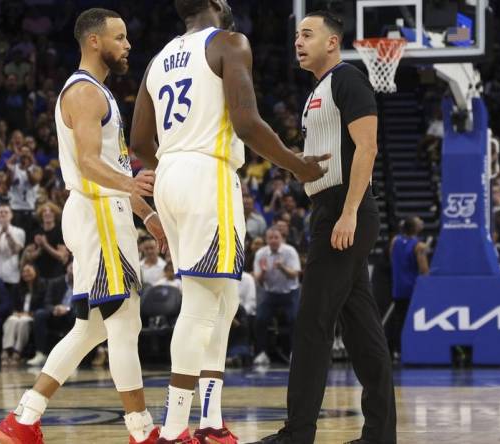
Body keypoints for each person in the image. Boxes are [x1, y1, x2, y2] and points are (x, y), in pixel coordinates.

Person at [130, 1, 326, 441]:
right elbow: (247, 122)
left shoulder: (158, 59)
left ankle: (213, 422)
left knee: (225, 300)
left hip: (170, 172)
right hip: (208, 174)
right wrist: (296, 165)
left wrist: (175, 162)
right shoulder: (230, 42)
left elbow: (140, 140)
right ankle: (175, 429)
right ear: (218, 3)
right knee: (201, 305)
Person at [0, 9, 163, 444]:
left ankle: (24, 420)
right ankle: (141, 432)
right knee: (125, 323)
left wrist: (147, 215)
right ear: (93, 42)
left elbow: (106, 164)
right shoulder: (86, 93)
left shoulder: (96, 92)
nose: (127, 46)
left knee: (91, 328)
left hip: (103, 211)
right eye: (119, 38)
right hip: (99, 211)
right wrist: (130, 184)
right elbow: (90, 165)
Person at [255, 11, 397, 443]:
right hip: (327, 207)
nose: (298, 41)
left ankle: (297, 433)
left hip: (344, 210)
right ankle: (379, 434)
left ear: (332, 42)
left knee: (313, 323)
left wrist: (350, 211)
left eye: (307, 34)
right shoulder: (318, 90)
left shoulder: (348, 79)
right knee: (361, 330)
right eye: (296, 34)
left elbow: (367, 148)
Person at [252, 227, 300, 366]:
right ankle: (261, 353)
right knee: (260, 319)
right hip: (271, 293)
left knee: (294, 319)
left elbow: (295, 274)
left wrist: (282, 267)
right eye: (270, 238)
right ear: (267, 240)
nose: (273, 240)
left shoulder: (289, 251)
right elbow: (258, 280)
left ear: (281, 238)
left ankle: (294, 353)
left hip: (290, 292)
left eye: (276, 237)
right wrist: (263, 272)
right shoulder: (261, 253)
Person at [388, 217, 428, 358]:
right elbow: (424, 270)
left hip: (398, 286)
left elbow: (392, 258)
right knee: (412, 320)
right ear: (416, 228)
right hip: (412, 288)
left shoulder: (395, 241)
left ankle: (396, 350)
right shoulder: (419, 246)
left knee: (398, 319)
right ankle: (409, 350)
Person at [27, 261, 76, 367]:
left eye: (76, 267)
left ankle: (72, 357)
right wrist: (55, 308)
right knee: (40, 314)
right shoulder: (55, 282)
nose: (73, 270)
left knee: (77, 315)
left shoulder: (84, 284)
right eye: (71, 267)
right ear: (67, 268)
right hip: (55, 314)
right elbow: (47, 302)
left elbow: (85, 304)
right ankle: (40, 353)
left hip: (72, 314)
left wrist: (67, 309)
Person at [1, 263, 46, 366]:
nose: (26, 274)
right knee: (11, 320)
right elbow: (11, 304)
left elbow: (44, 305)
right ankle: (6, 350)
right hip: (18, 315)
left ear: (36, 272)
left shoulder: (43, 285)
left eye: (28, 271)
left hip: (32, 316)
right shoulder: (17, 287)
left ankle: (17, 351)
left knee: (23, 322)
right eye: (24, 272)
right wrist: (15, 312)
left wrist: (30, 314)